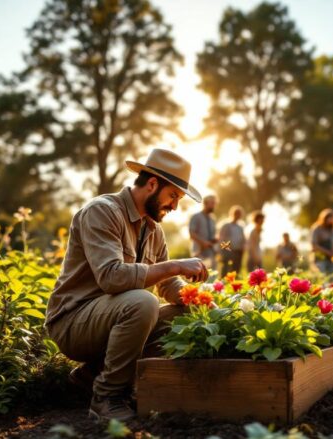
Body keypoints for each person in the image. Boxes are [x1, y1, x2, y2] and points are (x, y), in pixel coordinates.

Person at [44, 148, 209, 421]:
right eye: (173, 196)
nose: (175, 206)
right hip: (73, 322)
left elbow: (167, 285)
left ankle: (92, 374)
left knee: (187, 315)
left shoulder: (154, 230)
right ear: (153, 184)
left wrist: (197, 298)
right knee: (143, 303)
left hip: (110, 318)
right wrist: (177, 264)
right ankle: (107, 396)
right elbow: (112, 277)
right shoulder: (102, 212)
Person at [188, 195, 218, 271]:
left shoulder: (212, 219)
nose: (214, 206)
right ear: (205, 203)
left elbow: (213, 235)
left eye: (215, 203)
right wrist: (203, 242)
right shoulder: (196, 217)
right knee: (200, 277)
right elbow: (192, 234)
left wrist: (215, 240)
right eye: (212, 203)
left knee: (211, 277)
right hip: (199, 253)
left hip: (211, 253)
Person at [218, 206, 246, 277]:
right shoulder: (226, 225)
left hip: (238, 252)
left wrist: (243, 248)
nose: (237, 215)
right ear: (232, 213)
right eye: (236, 213)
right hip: (227, 251)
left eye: (239, 214)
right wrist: (222, 251)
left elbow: (243, 239)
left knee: (236, 271)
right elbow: (221, 239)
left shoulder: (241, 227)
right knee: (225, 270)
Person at [311, 209, 333, 275]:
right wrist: (327, 252)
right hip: (320, 259)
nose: (331, 220)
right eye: (330, 218)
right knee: (321, 278)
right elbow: (314, 245)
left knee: (332, 280)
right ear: (325, 218)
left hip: (331, 259)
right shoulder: (317, 229)